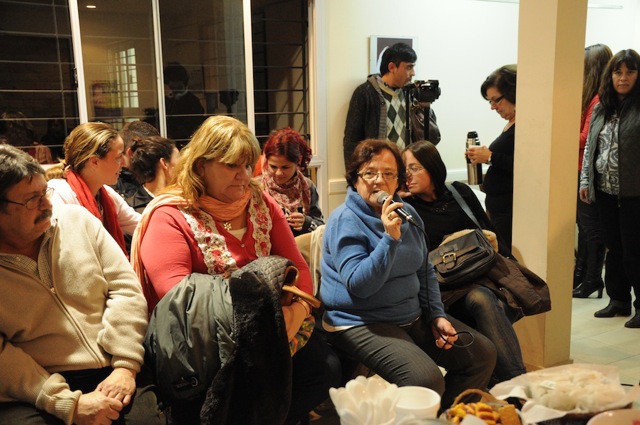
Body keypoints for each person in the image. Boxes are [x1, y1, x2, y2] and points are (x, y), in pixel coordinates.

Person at [130, 115, 340, 424]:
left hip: (272, 327)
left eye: (248, 165)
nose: (244, 176)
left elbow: (298, 267)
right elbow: (182, 304)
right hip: (210, 343)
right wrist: (269, 324)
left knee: (325, 370)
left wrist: (297, 311)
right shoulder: (170, 215)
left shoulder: (259, 202)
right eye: (232, 166)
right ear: (201, 166)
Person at [319, 139, 496, 410]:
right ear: (355, 178)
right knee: (425, 379)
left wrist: (436, 315)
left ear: (398, 181)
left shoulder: (408, 213)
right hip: (359, 320)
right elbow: (360, 286)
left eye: (389, 174)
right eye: (370, 173)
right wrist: (389, 239)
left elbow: (425, 270)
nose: (379, 181)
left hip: (410, 315)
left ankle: (444, 416)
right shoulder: (345, 220)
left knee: (481, 355)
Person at [0, 144, 162, 425]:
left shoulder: (78, 221)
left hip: (115, 363)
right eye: (32, 200)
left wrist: (125, 365)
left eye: (45, 192)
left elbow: (125, 289)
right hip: (37, 386)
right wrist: (67, 403)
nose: (47, 205)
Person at [402, 140, 526, 386]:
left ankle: (501, 381)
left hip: (481, 275)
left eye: (414, 168)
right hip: (444, 288)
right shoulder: (407, 208)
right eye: (404, 170)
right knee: (482, 298)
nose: (408, 175)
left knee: (493, 300)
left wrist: (509, 264)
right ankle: (517, 384)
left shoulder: (459, 193)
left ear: (432, 167)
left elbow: (487, 230)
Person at [580, 49, 640, 328]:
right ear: (610, 75)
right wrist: (586, 182)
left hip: (634, 194)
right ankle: (618, 300)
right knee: (613, 249)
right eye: (618, 72)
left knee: (634, 251)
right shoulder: (602, 107)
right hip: (604, 191)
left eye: (630, 72)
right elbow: (591, 148)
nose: (623, 78)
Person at [47, 122, 141, 256]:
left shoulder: (107, 194)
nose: (124, 163)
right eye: (118, 157)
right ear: (94, 162)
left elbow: (142, 225)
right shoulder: (59, 193)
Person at [342, 42, 440, 168]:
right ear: (392, 67)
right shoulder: (365, 93)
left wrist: (425, 108)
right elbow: (351, 141)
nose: (413, 73)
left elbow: (432, 139)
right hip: (378, 169)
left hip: (407, 169)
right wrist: (354, 175)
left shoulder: (410, 93)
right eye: (409, 67)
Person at [573, 44, 612, 298]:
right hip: (581, 170)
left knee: (590, 229)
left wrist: (558, 130)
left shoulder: (597, 99)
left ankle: (591, 279)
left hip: (587, 173)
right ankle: (583, 276)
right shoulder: (591, 98)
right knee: (585, 227)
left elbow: (585, 138)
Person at [466, 65, 517, 249]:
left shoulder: (526, 126)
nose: (493, 107)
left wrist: (490, 157)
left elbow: (523, 166)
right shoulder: (511, 123)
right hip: (498, 207)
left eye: (496, 100)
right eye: (490, 101)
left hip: (509, 209)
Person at [260, 127, 324, 236]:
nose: (278, 173)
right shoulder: (257, 188)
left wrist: (306, 222)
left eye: (285, 167)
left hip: (300, 245)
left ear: (298, 161)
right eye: (273, 167)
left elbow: (321, 226)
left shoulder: (307, 186)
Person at [127, 136, 180, 213]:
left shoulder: (183, 201)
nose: (183, 167)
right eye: (179, 161)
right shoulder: (130, 209)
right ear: (164, 163)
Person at [115, 120, 161, 205]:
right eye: (148, 153)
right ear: (131, 153)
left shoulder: (154, 173)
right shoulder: (112, 185)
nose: (155, 159)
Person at [164, 62, 205, 148]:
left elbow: (195, 126)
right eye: (168, 82)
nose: (170, 84)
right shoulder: (168, 100)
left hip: (187, 144)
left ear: (181, 81)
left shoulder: (193, 101)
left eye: (173, 81)